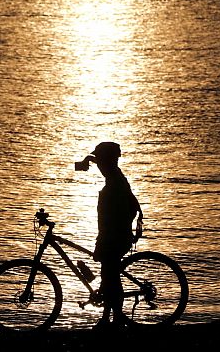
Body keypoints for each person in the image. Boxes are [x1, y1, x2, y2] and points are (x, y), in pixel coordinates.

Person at [78, 141, 143, 329]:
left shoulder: (114, 185)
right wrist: (87, 160)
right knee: (108, 275)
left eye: (100, 162)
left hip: (115, 237)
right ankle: (110, 318)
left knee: (111, 278)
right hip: (115, 235)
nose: (99, 167)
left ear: (107, 162)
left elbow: (110, 222)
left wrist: (101, 243)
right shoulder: (116, 175)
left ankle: (114, 319)